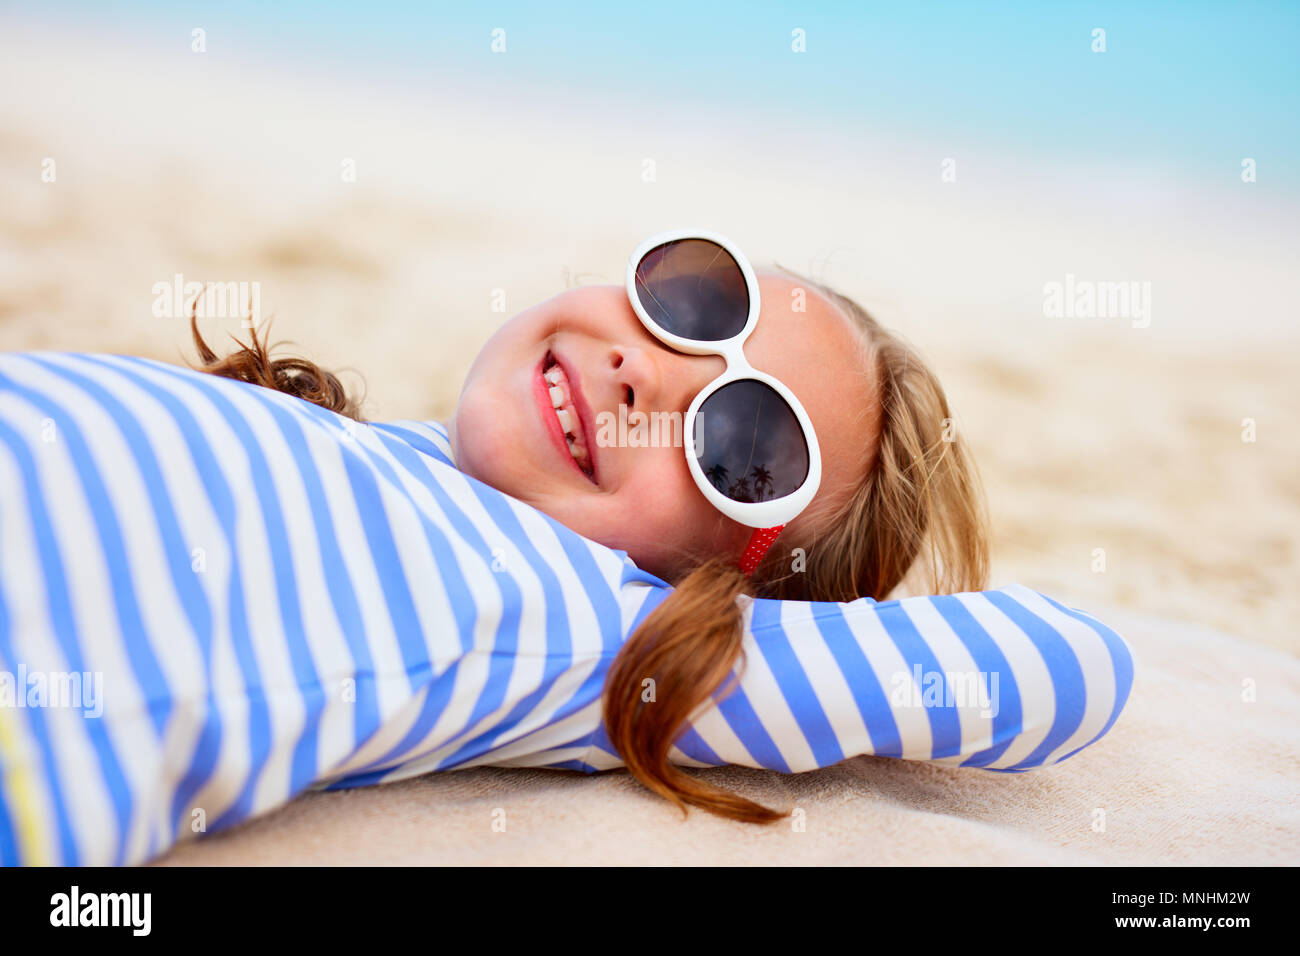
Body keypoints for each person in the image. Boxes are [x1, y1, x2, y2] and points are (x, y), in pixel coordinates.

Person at [0, 232, 1134, 865]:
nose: (650, 371)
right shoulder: (385, 447)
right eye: (692, 303)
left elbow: (1064, 663)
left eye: (740, 443)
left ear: (722, 576)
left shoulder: (614, 631)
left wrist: (773, 633)